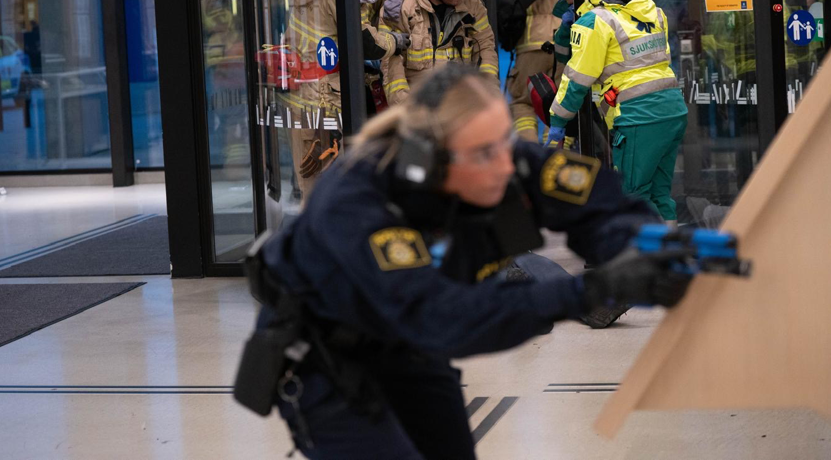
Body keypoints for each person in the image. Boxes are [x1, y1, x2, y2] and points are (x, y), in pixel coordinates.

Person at [234, 64, 696, 459]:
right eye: (483, 154)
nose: (505, 165)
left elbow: (600, 202)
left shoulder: (499, 155)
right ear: (430, 161)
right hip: (327, 360)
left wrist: (639, 250)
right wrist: (585, 292)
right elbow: (438, 316)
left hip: (407, 346)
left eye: (504, 143)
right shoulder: (358, 199)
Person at [547, 0, 688, 227]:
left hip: (639, 116)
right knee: (660, 194)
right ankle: (669, 257)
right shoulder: (651, 11)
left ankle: (646, 262)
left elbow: (577, 78)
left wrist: (557, 121)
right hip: (673, 110)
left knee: (632, 194)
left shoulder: (595, 21)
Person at [284, 0, 410, 199]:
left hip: (304, 95)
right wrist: (399, 40)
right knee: (332, 188)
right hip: (327, 98)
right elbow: (368, 44)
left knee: (312, 185)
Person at [379, 0, 499, 104]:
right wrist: (409, 113)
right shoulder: (399, 9)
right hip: (419, 109)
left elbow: (485, 47)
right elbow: (392, 70)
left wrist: (489, 95)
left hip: (461, 108)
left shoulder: (472, 5)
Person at [498, 0, 571, 141]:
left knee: (522, 102)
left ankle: (531, 150)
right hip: (565, 46)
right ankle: (556, 156)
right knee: (564, 103)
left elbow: (503, 2)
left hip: (530, 48)